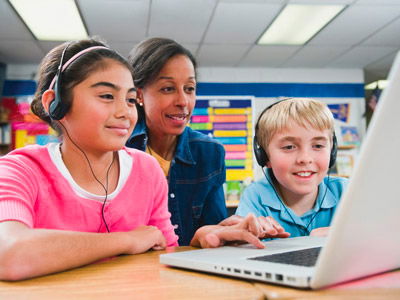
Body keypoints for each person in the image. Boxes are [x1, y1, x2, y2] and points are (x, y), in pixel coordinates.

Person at [0, 38, 178, 281]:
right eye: (106, 95)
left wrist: (203, 242)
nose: (125, 112)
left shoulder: (146, 169)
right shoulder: (20, 169)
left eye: (130, 99)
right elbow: (9, 255)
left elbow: (167, 253)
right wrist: (126, 240)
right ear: (56, 104)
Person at [126, 37, 290, 246]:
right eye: (168, 88)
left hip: (189, 268)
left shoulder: (209, 153)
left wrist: (235, 229)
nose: (183, 101)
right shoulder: (119, 150)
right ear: (139, 94)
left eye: (189, 88)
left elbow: (214, 228)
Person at [236, 98, 348, 237]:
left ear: (332, 151)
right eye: (289, 147)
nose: (305, 159)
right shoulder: (256, 196)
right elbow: (243, 246)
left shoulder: (347, 192)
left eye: (318, 146)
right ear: (264, 156)